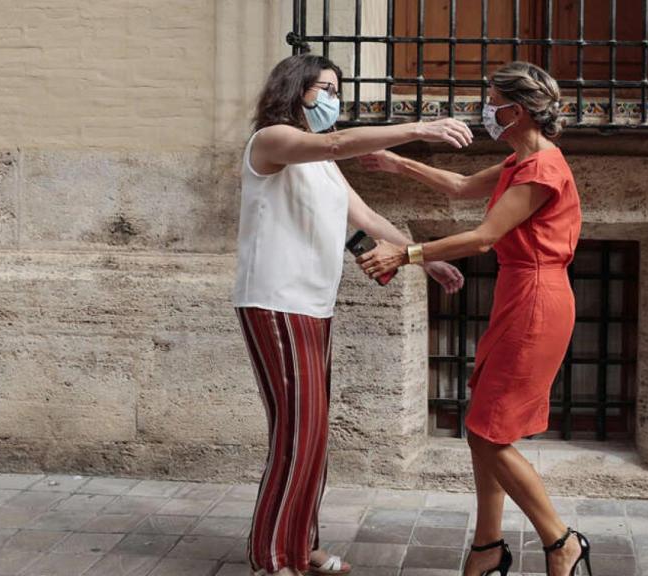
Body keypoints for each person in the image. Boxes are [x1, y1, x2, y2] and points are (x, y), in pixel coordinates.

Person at [235, 53, 470, 576]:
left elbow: (364, 218)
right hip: (275, 301)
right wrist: (419, 129)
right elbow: (337, 141)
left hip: (313, 304)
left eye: (338, 90)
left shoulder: (323, 164)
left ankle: (302, 546)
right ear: (294, 89)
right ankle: (272, 559)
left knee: (312, 434)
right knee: (296, 434)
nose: (333, 99)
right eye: (325, 88)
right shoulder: (272, 140)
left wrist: (421, 258)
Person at [357, 61, 591, 576]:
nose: (485, 110)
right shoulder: (521, 160)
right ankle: (487, 546)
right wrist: (398, 164)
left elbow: (484, 237)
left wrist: (406, 254)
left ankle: (561, 541)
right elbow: (461, 185)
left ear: (517, 111)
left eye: (492, 102)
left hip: (536, 297)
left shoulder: (542, 168)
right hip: (520, 293)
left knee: (489, 432)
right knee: (482, 424)